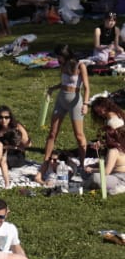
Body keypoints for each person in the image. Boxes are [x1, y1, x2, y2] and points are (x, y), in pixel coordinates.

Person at [39, 43, 90, 180]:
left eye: (59, 56)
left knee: (79, 135)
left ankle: (83, 163)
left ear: (65, 55)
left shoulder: (80, 66)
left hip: (75, 101)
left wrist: (85, 104)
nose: (58, 59)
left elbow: (86, 87)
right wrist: (52, 88)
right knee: (52, 133)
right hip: (61, 98)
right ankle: (45, 162)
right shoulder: (62, 65)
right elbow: (64, 83)